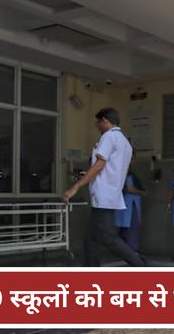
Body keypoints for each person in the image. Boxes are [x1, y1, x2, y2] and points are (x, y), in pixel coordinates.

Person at [62, 107, 146, 267]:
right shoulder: (125, 142)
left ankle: (141, 265)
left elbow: (100, 164)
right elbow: (114, 169)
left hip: (103, 195)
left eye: (98, 122)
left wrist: (75, 187)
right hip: (111, 193)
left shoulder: (108, 136)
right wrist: (90, 174)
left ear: (105, 120)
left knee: (108, 237)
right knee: (91, 238)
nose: (97, 126)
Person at [114, 155, 148, 252]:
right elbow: (130, 189)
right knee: (132, 227)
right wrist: (143, 192)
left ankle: (123, 250)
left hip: (122, 203)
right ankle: (130, 251)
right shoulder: (127, 173)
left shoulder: (120, 172)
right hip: (130, 203)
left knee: (124, 228)